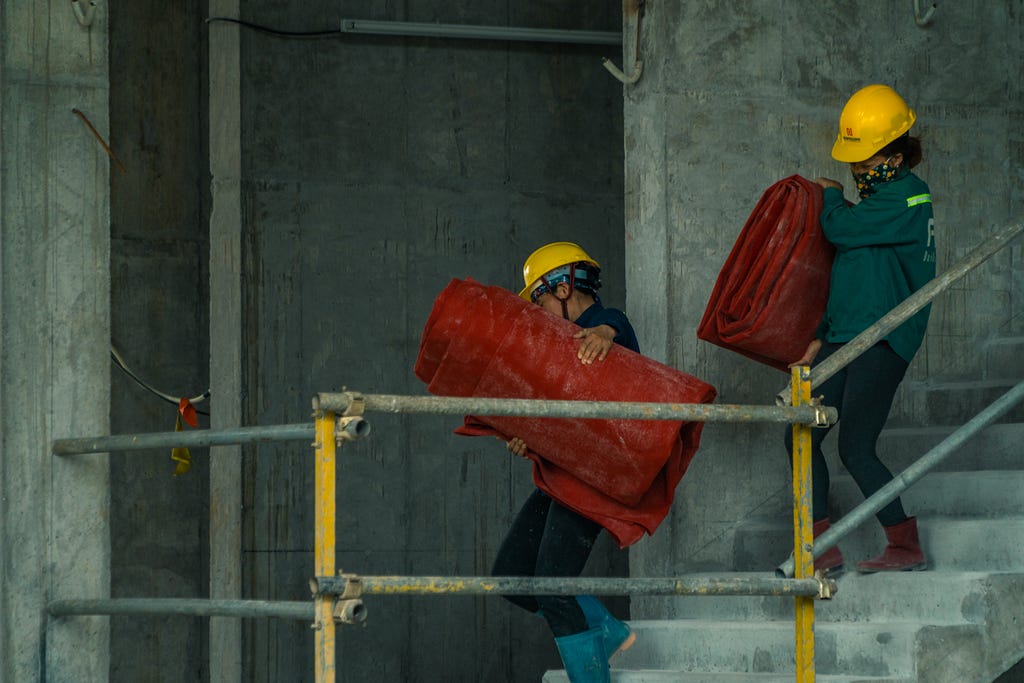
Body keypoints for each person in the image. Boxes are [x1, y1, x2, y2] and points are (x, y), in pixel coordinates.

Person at [787, 84, 936, 575]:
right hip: (845, 335)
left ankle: (904, 542)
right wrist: (822, 334)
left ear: (896, 154)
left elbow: (842, 230)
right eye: (852, 161)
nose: (855, 170)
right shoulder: (875, 207)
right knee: (800, 435)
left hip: (884, 338)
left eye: (865, 159)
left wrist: (830, 196)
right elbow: (853, 277)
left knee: (855, 444)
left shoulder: (909, 197)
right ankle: (822, 547)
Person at [491, 241, 638, 683]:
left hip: (595, 476)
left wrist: (606, 334)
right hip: (562, 470)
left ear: (561, 287)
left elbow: (617, 326)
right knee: (512, 576)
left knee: (553, 586)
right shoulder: (558, 343)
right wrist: (527, 439)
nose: (535, 310)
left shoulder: (604, 327)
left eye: (537, 297)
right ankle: (606, 629)